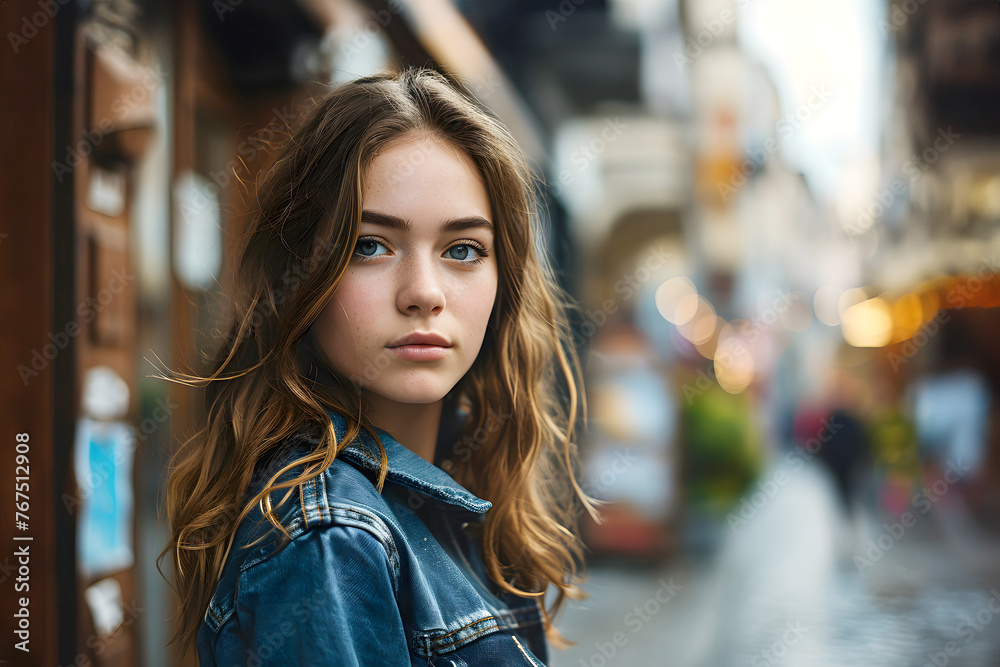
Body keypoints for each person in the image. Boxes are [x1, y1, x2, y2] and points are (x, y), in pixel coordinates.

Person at [155, 67, 601, 666]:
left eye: (463, 250)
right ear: (302, 275)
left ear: (504, 282)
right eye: (370, 244)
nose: (423, 292)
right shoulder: (329, 538)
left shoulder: (455, 501)